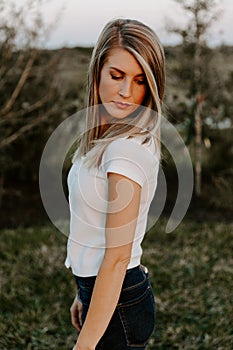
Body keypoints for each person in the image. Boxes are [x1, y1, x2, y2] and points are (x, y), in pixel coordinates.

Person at [65, 18, 165, 350]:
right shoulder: (111, 138)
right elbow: (94, 232)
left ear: (151, 86)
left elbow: (118, 257)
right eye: (117, 76)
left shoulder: (124, 149)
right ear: (97, 73)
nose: (125, 93)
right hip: (110, 293)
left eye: (139, 81)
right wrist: (85, 293)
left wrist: (85, 345)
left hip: (119, 296)